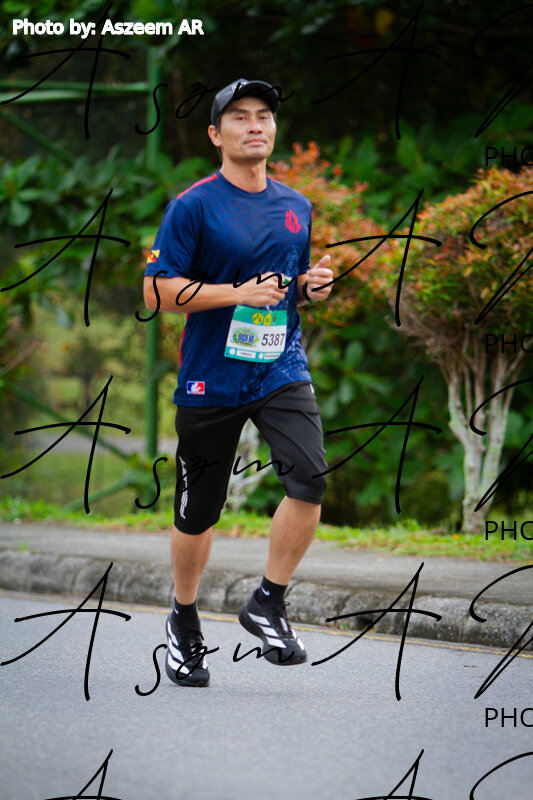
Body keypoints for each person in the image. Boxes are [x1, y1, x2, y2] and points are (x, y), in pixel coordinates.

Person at [143, 78, 334, 687]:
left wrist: (308, 287)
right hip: (211, 377)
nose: (255, 125)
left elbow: (285, 283)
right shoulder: (193, 206)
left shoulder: (296, 206)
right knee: (199, 511)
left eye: (264, 116)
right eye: (240, 117)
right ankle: (183, 618)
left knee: (310, 478)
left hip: (279, 366)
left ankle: (268, 602)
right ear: (215, 134)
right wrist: (236, 294)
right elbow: (156, 292)